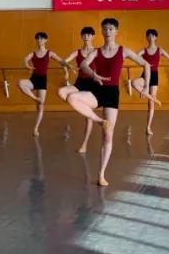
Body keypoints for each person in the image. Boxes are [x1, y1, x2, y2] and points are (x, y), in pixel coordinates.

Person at [66, 17, 155, 186]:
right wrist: (94, 75)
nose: (107, 32)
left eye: (111, 29)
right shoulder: (96, 52)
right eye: (105, 29)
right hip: (97, 90)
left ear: (116, 31)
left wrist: (146, 87)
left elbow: (146, 65)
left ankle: (101, 175)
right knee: (72, 97)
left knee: (107, 136)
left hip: (112, 93)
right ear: (101, 31)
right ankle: (100, 121)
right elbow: (83, 65)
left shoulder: (123, 50)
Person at [18, 31, 71, 136]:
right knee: (20, 83)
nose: (39, 40)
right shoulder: (33, 53)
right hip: (33, 79)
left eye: (42, 38)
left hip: (42, 80)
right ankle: (35, 98)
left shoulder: (49, 53)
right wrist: (26, 65)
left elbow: (61, 61)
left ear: (46, 40)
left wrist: (66, 71)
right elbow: (25, 58)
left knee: (40, 106)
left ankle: (36, 128)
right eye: (38, 38)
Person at [58, 26, 99, 154]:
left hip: (93, 84)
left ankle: (84, 145)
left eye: (89, 35)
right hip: (79, 83)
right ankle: (80, 106)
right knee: (61, 91)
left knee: (88, 118)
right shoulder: (77, 52)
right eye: (84, 35)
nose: (87, 37)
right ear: (82, 36)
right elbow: (63, 61)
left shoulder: (97, 51)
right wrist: (69, 67)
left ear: (93, 36)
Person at [140, 28, 169, 136]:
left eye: (152, 36)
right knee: (135, 84)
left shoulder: (160, 50)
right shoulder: (144, 50)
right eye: (149, 36)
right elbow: (135, 56)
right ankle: (153, 99)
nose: (150, 38)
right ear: (146, 38)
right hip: (145, 74)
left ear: (156, 37)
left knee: (150, 103)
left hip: (154, 76)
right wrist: (143, 64)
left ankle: (148, 127)